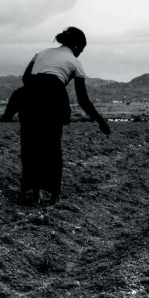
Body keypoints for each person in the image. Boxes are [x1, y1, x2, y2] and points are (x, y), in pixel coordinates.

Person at [18, 27, 111, 205]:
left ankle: (32, 191)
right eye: (81, 49)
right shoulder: (76, 63)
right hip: (53, 95)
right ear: (77, 46)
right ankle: (54, 194)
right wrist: (101, 121)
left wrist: (36, 89)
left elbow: (25, 79)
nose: (81, 53)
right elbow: (83, 100)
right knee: (52, 147)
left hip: (29, 96)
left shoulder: (41, 53)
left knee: (30, 144)